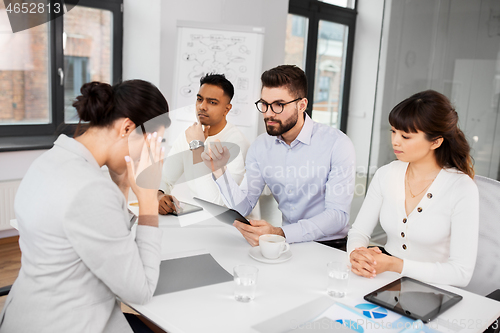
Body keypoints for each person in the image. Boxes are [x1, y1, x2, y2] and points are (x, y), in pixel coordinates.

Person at [0, 80, 169, 333]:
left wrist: (121, 186)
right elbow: (140, 290)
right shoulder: (90, 189)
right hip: (65, 323)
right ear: (126, 128)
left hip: (26, 310)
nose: (144, 159)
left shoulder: (50, 160)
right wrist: (147, 202)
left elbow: (103, 237)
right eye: (149, 147)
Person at [201, 65, 356, 247]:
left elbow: (338, 216)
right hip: (287, 244)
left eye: (278, 105)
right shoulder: (260, 147)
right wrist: (220, 171)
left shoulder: (337, 144)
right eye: (264, 104)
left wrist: (280, 232)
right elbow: (243, 207)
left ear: (302, 105)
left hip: (329, 244)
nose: (268, 113)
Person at [347, 90, 478, 287]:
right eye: (393, 131)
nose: (395, 141)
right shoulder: (386, 174)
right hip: (384, 281)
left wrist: (395, 264)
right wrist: (357, 254)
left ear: (436, 141)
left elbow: (461, 273)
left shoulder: (461, 188)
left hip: (434, 290)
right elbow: (358, 232)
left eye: (405, 136)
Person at [158, 73, 250, 214]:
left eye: (212, 102)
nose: (202, 106)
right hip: (196, 216)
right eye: (199, 99)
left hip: (227, 223)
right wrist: (159, 194)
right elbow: (165, 178)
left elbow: (217, 205)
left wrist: (197, 148)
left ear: (227, 109)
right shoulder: (190, 134)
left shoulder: (236, 143)